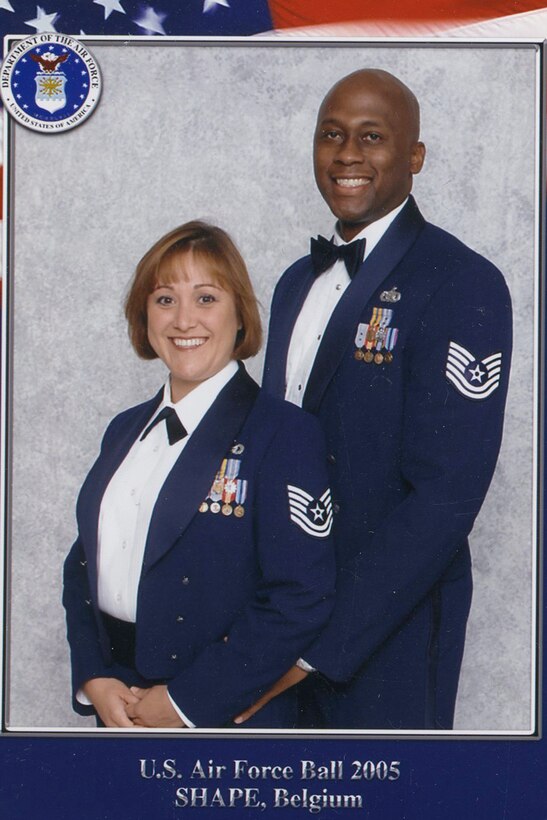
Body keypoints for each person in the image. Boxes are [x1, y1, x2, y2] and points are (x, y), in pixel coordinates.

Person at [246, 68, 512, 730]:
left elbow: (445, 497)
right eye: (331, 135)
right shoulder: (291, 284)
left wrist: (316, 648)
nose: (346, 155)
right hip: (278, 617)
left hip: (385, 627)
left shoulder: (460, 282)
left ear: (414, 157)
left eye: (372, 137)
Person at [63, 220, 335, 729]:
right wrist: (95, 676)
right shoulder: (124, 429)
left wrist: (186, 701)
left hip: (218, 712)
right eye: (165, 299)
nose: (184, 320)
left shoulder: (283, 432)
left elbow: (299, 597)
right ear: (143, 315)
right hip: (119, 701)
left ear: (239, 316)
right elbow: (83, 562)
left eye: (206, 298)